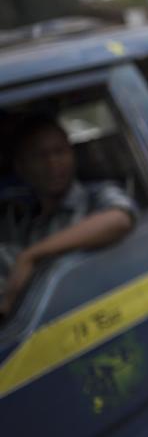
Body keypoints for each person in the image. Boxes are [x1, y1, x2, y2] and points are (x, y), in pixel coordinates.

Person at [0, 116, 136, 314]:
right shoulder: (19, 219)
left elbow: (119, 219)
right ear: (21, 167)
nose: (53, 163)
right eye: (40, 156)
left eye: (60, 152)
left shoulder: (96, 195)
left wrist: (32, 256)